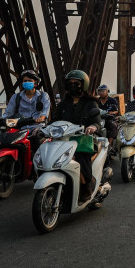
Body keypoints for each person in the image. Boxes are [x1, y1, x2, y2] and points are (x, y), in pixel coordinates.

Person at [51, 70, 101, 201]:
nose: (73, 85)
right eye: (70, 83)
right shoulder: (63, 104)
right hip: (64, 140)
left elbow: (96, 121)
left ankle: (86, 185)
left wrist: (92, 127)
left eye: (76, 83)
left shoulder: (91, 103)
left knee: (80, 156)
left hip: (84, 138)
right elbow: (54, 121)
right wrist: (42, 129)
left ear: (83, 85)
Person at [1, 69, 51, 154]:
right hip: (21, 127)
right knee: (5, 142)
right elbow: (8, 112)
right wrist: (2, 119)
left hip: (37, 127)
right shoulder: (16, 97)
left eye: (30, 81)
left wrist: (41, 118)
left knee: (37, 145)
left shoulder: (43, 96)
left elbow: (45, 111)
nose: (27, 82)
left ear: (35, 83)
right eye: (25, 81)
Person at [96, 84, 119, 148]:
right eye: (100, 91)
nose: (101, 93)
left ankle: (109, 145)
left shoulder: (112, 100)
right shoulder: (96, 100)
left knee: (113, 127)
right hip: (99, 118)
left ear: (107, 92)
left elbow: (116, 110)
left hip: (109, 118)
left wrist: (112, 113)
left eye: (103, 91)